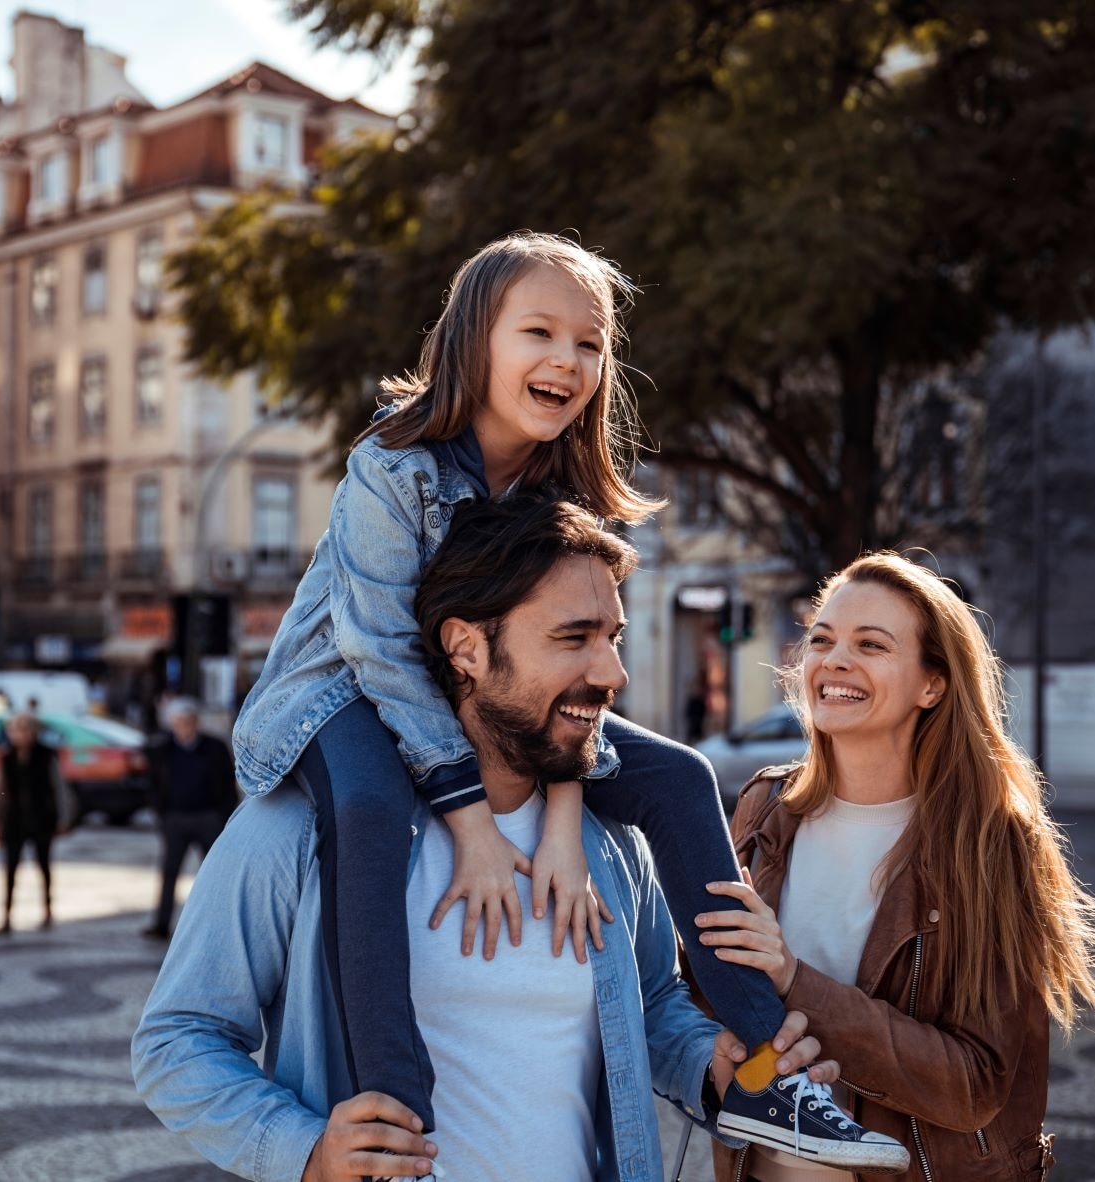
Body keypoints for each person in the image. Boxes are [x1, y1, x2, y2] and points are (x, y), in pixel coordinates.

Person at [226, 232, 881, 1163]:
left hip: (489, 709)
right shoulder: (393, 461)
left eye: (590, 343)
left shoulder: (561, 486)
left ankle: (766, 1076)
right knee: (371, 810)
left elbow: (568, 690)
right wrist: (474, 824)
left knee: (681, 777)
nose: (566, 361)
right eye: (539, 332)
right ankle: (392, 1118)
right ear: (472, 343)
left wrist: (565, 819)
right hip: (342, 698)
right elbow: (378, 650)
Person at [134, 495, 877, 1181]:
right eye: (572, 639)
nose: (611, 673)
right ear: (466, 648)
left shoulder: (611, 842)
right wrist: (304, 1151)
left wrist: (707, 1065)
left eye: (613, 638)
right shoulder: (300, 831)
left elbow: (649, 1004)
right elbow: (177, 1042)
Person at [697, 553, 1095, 1182]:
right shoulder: (765, 809)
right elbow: (710, 992)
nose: (835, 660)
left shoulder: (986, 841)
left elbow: (973, 1083)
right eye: (822, 639)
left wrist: (795, 980)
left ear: (932, 684)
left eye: (871, 645)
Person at [142, 699, 237, 939]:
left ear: (196, 722)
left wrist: (223, 815)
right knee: (169, 872)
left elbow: (228, 784)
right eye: (178, 723)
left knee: (214, 874)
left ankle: (219, 922)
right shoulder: (163, 750)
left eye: (188, 722)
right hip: (175, 819)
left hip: (208, 817)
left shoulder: (214, 747)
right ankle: (161, 924)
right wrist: (162, 814)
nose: (184, 728)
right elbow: (153, 784)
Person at [0, 712, 73, 935]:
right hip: (14, 821)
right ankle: (6, 916)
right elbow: (0, 792)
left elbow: (58, 788)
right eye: (16, 730)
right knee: (10, 870)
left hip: (41, 819)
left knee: (43, 866)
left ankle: (47, 911)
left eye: (25, 729)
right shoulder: (7, 757)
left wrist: (63, 818)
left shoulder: (46, 755)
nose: (21, 734)